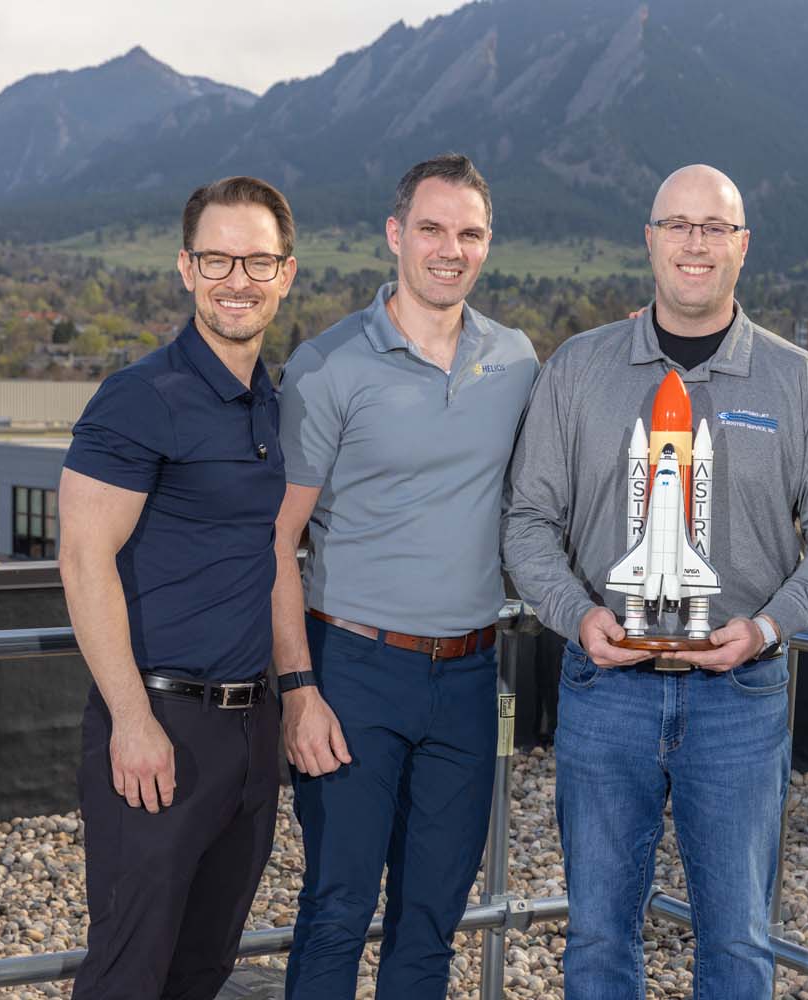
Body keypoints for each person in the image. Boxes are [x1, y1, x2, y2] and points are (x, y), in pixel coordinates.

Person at [503, 164, 808, 999]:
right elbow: (526, 523)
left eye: (715, 227)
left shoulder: (798, 381)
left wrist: (767, 629)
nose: (696, 243)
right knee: (595, 937)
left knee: (735, 943)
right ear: (650, 240)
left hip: (742, 701)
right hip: (605, 690)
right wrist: (575, 614)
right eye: (678, 225)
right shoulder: (578, 369)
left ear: (743, 247)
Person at [273, 153, 538, 1000]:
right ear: (396, 235)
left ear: (487, 244)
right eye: (431, 228)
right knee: (337, 909)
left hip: (467, 676)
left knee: (431, 923)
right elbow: (276, 543)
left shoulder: (517, 361)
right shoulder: (327, 367)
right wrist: (297, 690)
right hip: (353, 672)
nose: (448, 248)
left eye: (468, 232)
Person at [58, 176, 298, 998]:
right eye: (219, 258)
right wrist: (131, 720)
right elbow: (82, 559)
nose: (240, 278)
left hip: (248, 735)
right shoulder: (139, 398)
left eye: (258, 260)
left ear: (286, 274)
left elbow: (271, 553)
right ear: (186, 269)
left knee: (203, 971)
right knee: (129, 973)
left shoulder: (271, 401)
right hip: (158, 726)